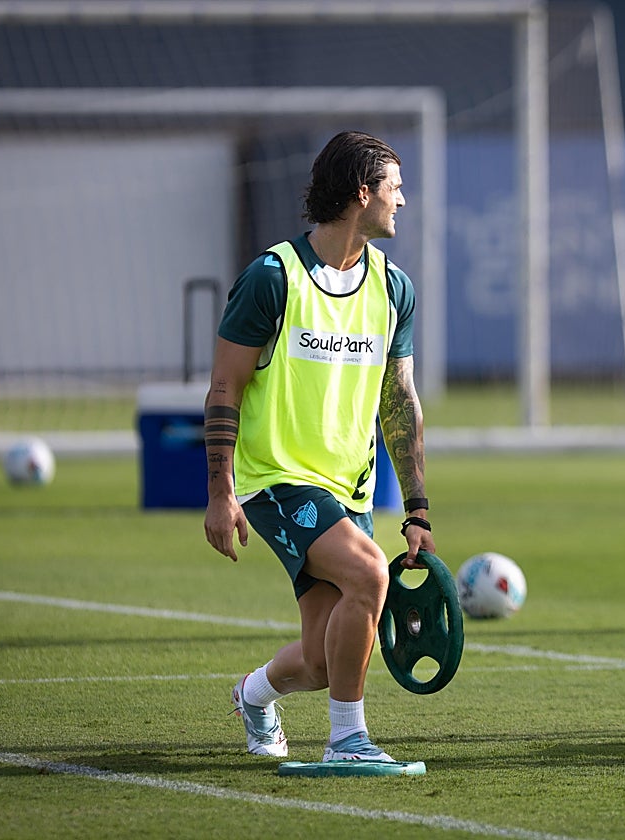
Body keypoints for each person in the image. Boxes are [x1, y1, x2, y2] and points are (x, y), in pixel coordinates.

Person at [202, 130, 434, 763]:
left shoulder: (394, 288)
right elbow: (224, 388)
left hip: (348, 490)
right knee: (369, 573)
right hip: (275, 480)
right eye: (394, 187)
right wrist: (221, 493)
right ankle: (348, 741)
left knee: (324, 659)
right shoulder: (271, 278)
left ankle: (253, 695)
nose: (401, 200)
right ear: (362, 193)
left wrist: (417, 509)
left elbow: (399, 402)